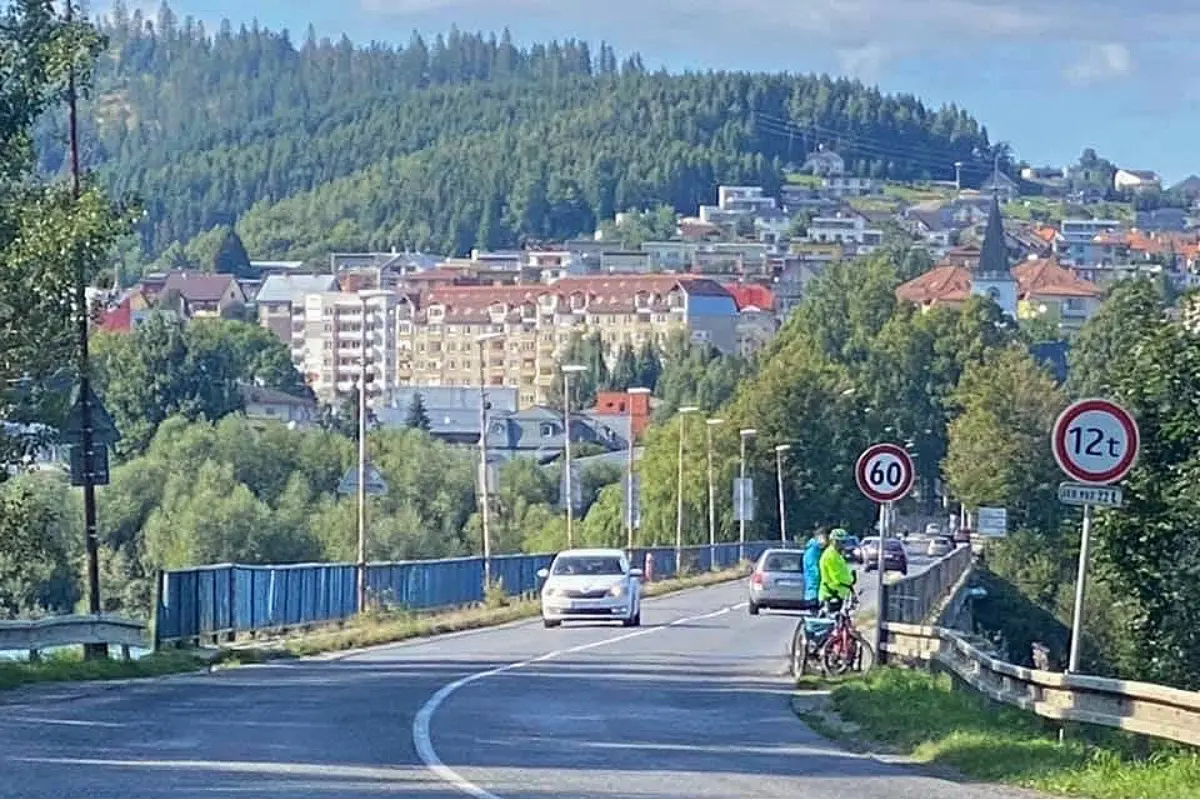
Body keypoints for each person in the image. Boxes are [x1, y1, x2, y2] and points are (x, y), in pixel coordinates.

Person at [819, 528, 856, 611]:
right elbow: (837, 576)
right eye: (840, 542)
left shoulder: (836, 554)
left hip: (839, 594)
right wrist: (851, 580)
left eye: (844, 542)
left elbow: (843, 571)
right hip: (831, 594)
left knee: (844, 620)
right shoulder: (830, 555)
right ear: (833, 541)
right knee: (836, 621)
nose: (842, 544)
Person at [802, 528, 827, 609]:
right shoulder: (812, 551)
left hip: (817, 592)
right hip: (813, 593)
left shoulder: (818, 550)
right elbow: (815, 572)